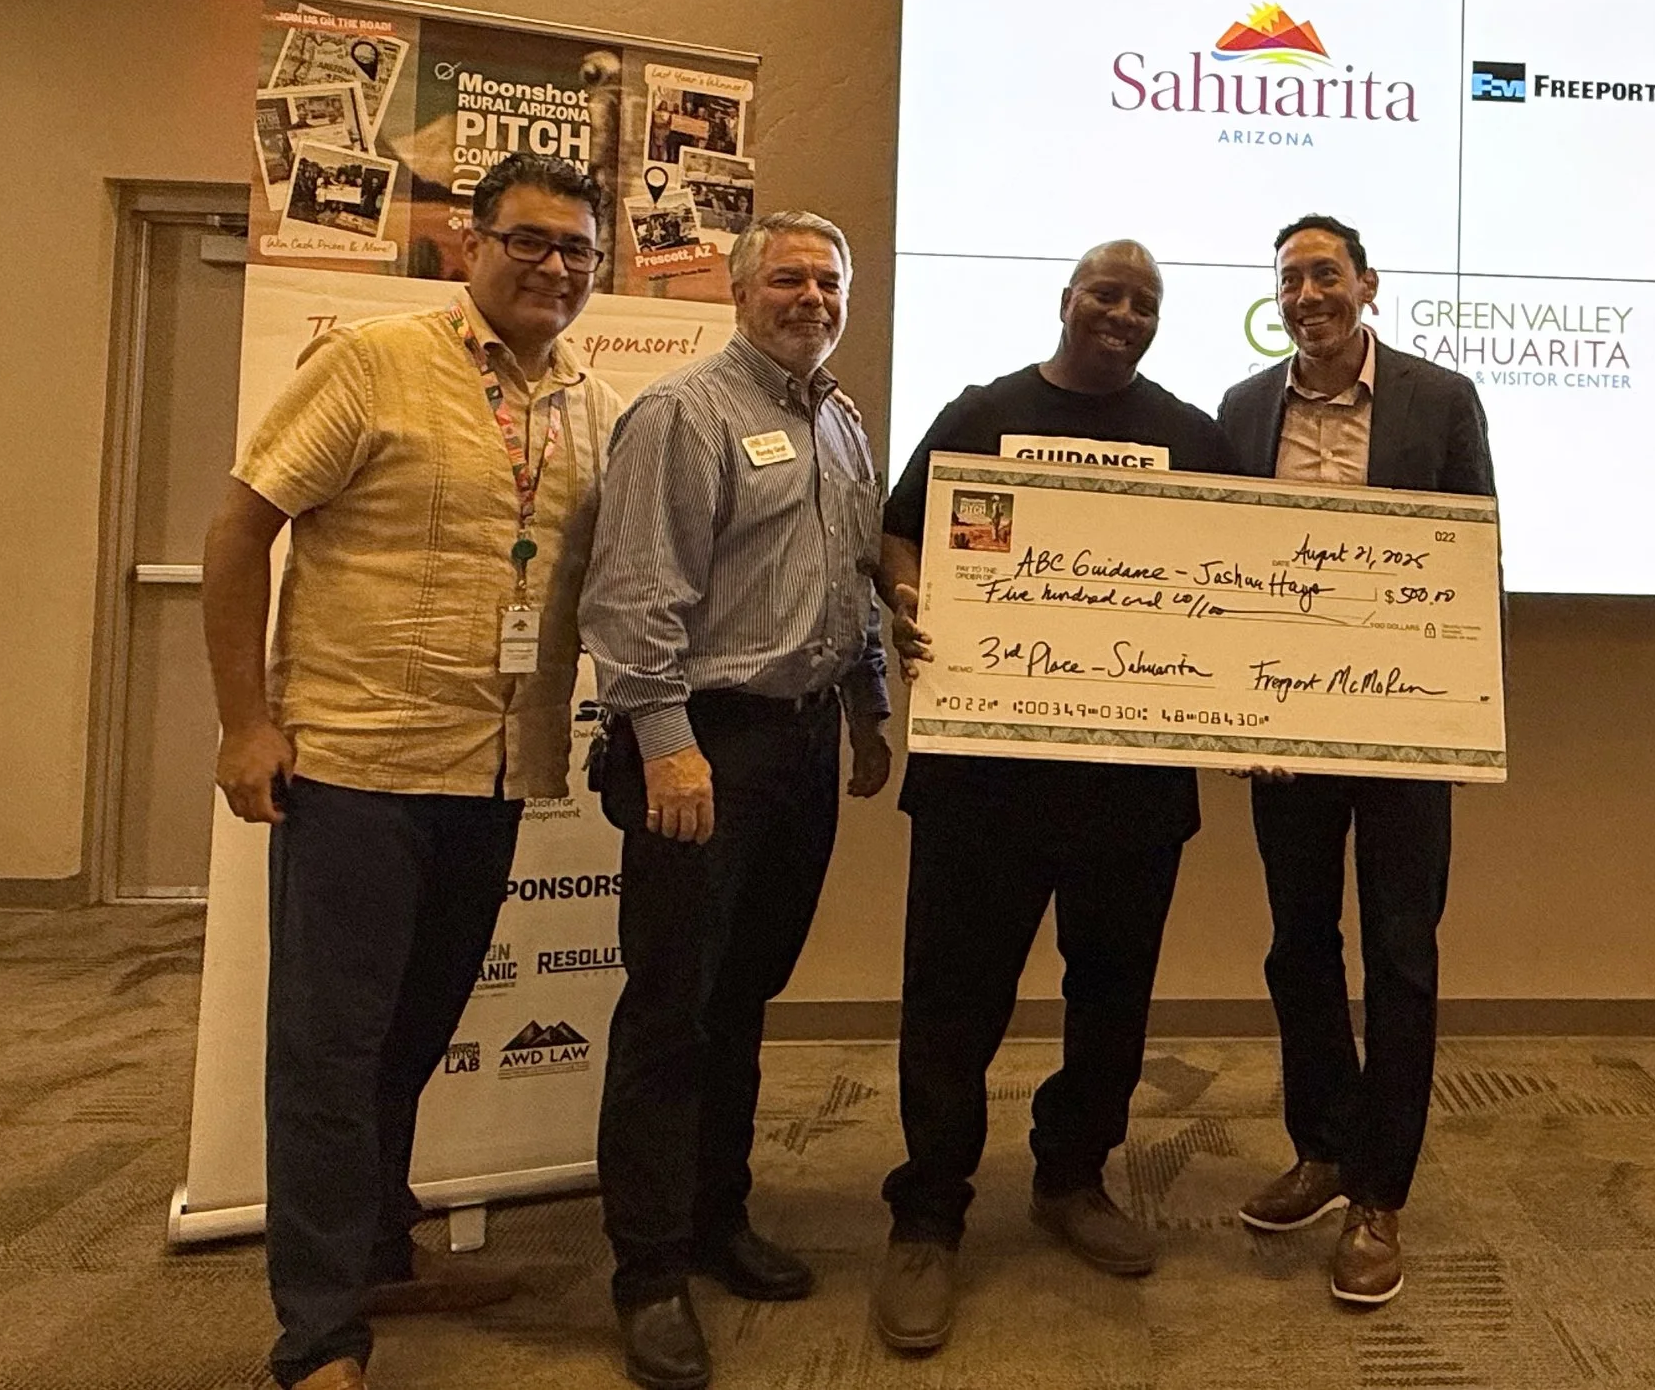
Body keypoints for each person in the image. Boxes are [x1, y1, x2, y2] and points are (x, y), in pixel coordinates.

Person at [202, 153, 620, 1390]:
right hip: (355, 763)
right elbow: (238, 530)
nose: (554, 268)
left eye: (577, 252)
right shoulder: (373, 364)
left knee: (412, 1032)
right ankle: (318, 1333)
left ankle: (378, 1245)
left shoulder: (587, 404)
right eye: (531, 243)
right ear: (469, 243)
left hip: (492, 771)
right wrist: (243, 723)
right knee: (330, 1051)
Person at [868, 241, 1238, 1355]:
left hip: (1131, 787)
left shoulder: (1192, 436)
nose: (1122, 314)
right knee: (952, 1001)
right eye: (1106, 294)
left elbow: (1239, 578)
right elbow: (897, 532)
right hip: (982, 779)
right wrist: (907, 596)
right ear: (1066, 302)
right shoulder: (980, 412)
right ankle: (929, 1211)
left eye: (1144, 302)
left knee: (1112, 1000)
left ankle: (1071, 1177)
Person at [580, 210, 894, 1390]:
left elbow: (851, 582)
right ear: (736, 286)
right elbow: (632, 604)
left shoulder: (846, 425)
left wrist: (866, 709)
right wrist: (665, 745)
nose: (810, 297)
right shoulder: (682, 415)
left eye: (830, 279)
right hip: (699, 753)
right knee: (672, 1008)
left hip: (800, 751)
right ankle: (649, 1271)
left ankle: (717, 1218)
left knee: (744, 997)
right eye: (788, 278)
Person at [1216, 214, 1496, 1309]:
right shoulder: (1243, 410)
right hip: (1283, 733)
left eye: (1324, 274)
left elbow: (1477, 553)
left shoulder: (1441, 399)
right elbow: (1219, 567)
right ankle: (1324, 1149)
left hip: (1405, 727)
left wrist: (1465, 715)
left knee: (1400, 953)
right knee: (1297, 946)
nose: (1306, 294)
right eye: (1289, 279)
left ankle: (1382, 1192)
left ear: (1367, 286)